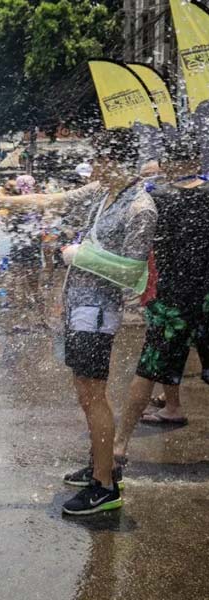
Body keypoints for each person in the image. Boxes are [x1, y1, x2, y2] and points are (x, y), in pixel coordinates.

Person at [0, 129, 157, 515]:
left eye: (99, 160)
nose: (93, 167)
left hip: (97, 313)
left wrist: (82, 256)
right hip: (79, 306)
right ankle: (99, 464)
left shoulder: (140, 208)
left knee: (94, 395)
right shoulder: (103, 192)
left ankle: (105, 486)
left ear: (116, 162)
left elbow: (133, 273)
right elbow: (52, 200)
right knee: (85, 392)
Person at [113, 139, 209, 460]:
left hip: (170, 302)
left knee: (148, 369)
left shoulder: (155, 197)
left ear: (166, 166)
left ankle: (119, 445)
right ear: (197, 161)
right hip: (206, 298)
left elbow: (136, 246)